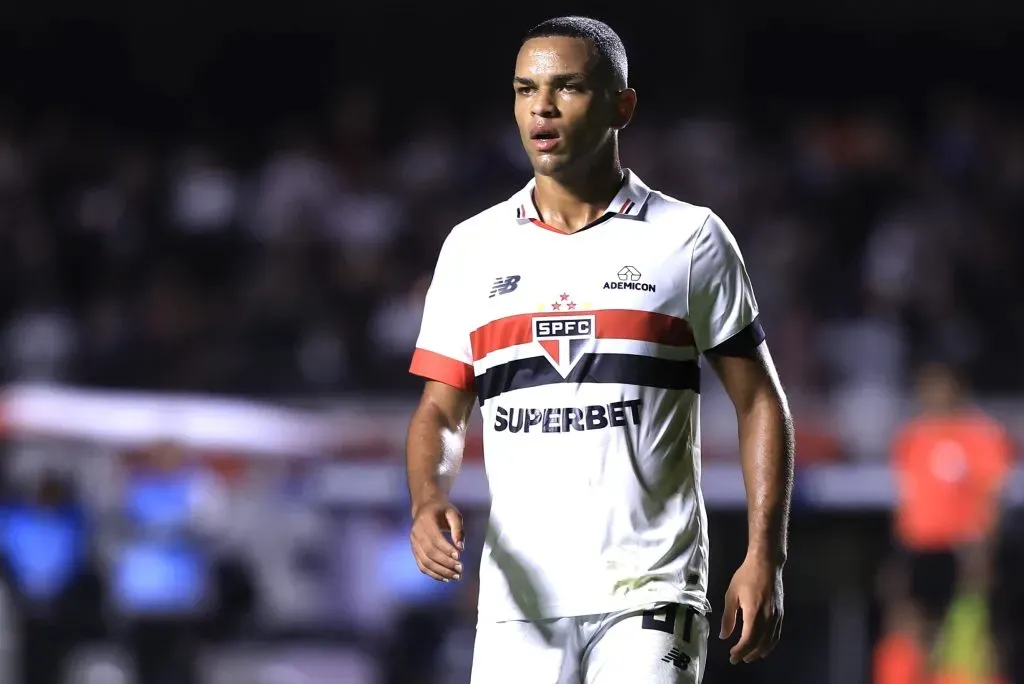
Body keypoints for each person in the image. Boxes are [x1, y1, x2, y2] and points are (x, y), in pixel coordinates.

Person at [405, 16, 794, 684]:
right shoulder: (472, 248)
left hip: (653, 591)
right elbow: (440, 413)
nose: (542, 107)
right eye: (526, 89)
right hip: (518, 601)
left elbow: (760, 403)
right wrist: (425, 497)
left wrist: (766, 556)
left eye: (568, 87)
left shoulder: (691, 239)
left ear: (623, 105)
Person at [890, 362, 1013, 645]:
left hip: (963, 549)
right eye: (927, 387)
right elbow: (906, 498)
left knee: (966, 630)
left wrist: (984, 549)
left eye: (940, 386)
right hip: (920, 547)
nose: (933, 395)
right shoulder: (912, 438)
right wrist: (899, 552)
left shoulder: (981, 435)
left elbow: (992, 495)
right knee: (913, 631)